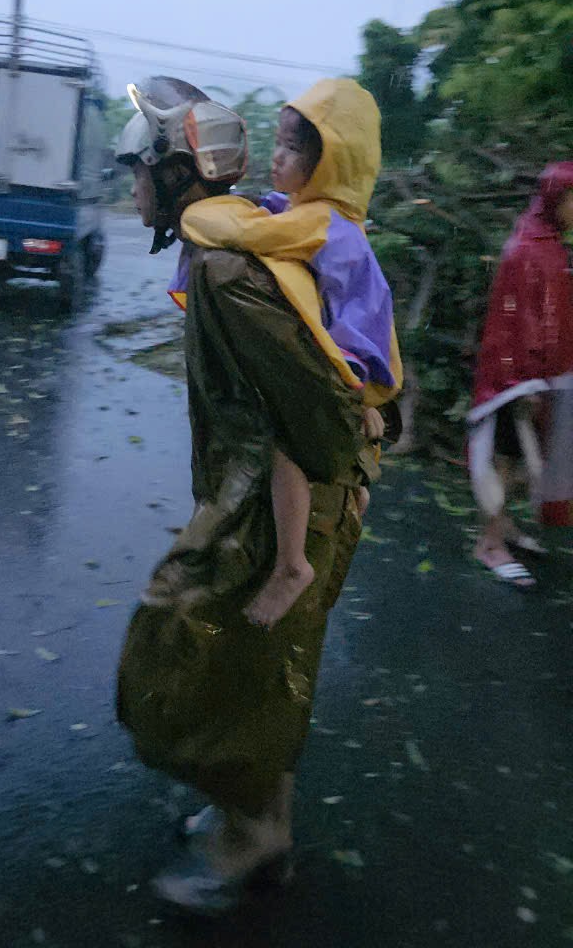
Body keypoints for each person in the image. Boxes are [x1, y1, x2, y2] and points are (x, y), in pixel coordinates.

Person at [114, 75, 397, 915]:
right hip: (264, 497)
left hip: (288, 505)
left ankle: (255, 838)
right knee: (255, 670)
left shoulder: (230, 272)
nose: (130, 185)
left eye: (140, 169)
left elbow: (310, 416)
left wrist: (288, 558)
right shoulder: (220, 252)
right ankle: (255, 820)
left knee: (202, 657)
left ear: (177, 175)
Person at [179, 82, 401, 627]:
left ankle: (291, 563)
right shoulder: (319, 215)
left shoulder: (321, 221)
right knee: (333, 452)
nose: (278, 156)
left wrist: (201, 213)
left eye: (295, 148)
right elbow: (271, 215)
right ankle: (352, 499)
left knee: (285, 444)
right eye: (277, 142)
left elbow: (239, 231)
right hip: (363, 361)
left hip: (349, 360)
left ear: (330, 162)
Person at [468, 162, 573, 588]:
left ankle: (504, 528)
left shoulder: (547, 242)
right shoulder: (528, 248)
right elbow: (513, 322)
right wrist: (522, 383)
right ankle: (488, 543)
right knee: (506, 461)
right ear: (555, 199)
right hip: (515, 381)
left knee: (520, 462)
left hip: (535, 379)